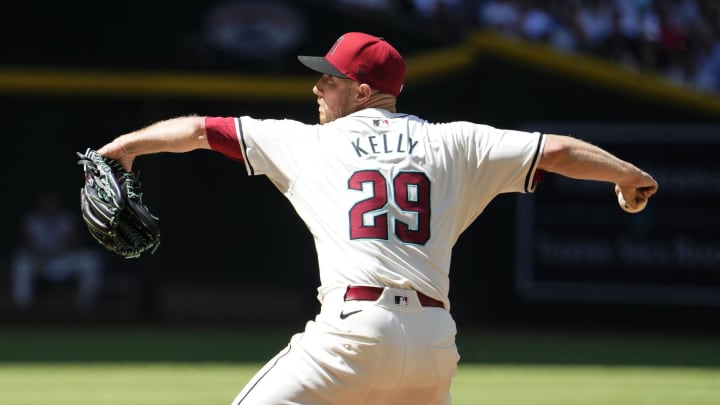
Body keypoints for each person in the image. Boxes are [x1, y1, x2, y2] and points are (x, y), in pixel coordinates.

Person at [94, 32, 658, 404]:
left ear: (362, 91)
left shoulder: (308, 144)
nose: (317, 86)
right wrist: (629, 176)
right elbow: (555, 151)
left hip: (354, 335)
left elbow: (200, 130)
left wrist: (125, 147)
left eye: (330, 78)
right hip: (435, 345)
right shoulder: (455, 142)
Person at [11, 190, 104, 313]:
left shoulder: (66, 219)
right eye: (46, 202)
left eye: (52, 202)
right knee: (21, 262)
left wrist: (61, 249)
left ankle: (84, 306)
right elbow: (26, 244)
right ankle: (23, 308)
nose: (49, 205)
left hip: (63, 260)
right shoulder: (32, 220)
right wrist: (42, 252)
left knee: (91, 260)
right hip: (41, 261)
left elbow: (75, 242)